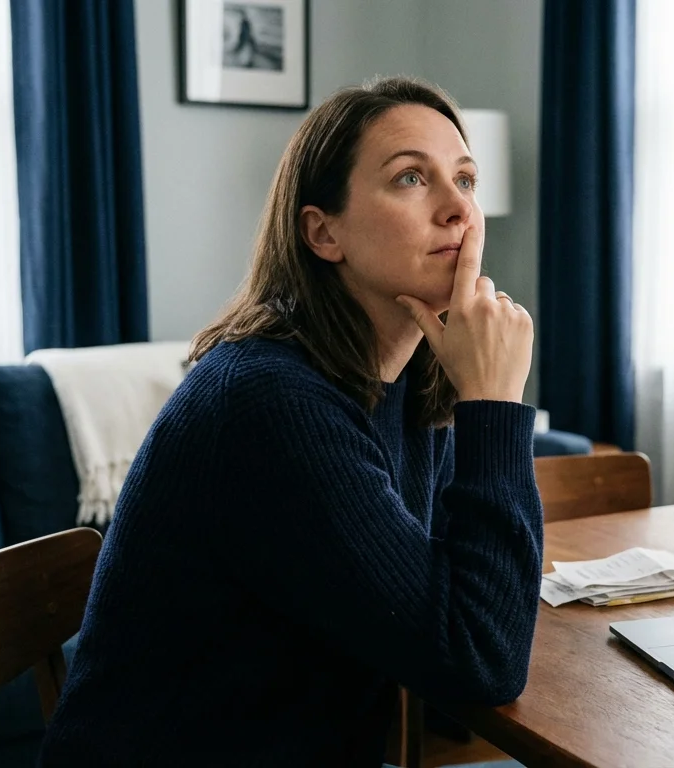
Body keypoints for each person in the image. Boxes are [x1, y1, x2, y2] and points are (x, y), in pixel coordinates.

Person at [38, 76, 543, 767]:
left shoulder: (411, 380)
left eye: (466, 178)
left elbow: (454, 593)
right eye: (411, 179)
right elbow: (478, 658)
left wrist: (477, 399)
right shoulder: (270, 404)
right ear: (323, 231)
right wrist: (496, 406)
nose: (459, 209)